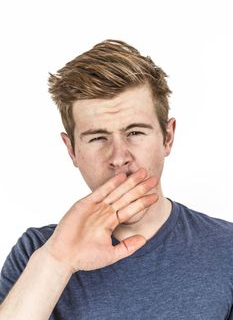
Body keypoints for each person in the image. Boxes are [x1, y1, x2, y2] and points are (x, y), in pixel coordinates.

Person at [0, 40, 232, 320]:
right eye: (98, 137)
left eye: (135, 132)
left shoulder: (226, 247)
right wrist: (57, 262)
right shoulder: (38, 252)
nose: (119, 157)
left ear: (167, 138)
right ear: (72, 150)